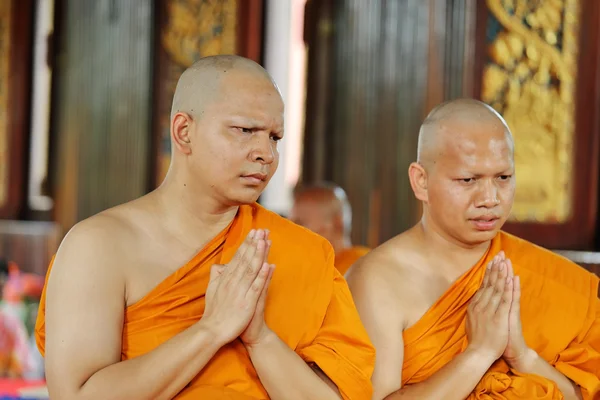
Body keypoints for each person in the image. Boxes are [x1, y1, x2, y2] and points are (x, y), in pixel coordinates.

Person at [35, 55, 375, 400]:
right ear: (184, 131)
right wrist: (211, 330)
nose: (266, 154)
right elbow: (76, 396)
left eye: (274, 137)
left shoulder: (303, 252)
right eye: (245, 130)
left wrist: (260, 338)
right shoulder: (99, 247)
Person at [346, 99, 600, 400]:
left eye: (503, 178)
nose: (490, 199)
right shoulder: (377, 279)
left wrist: (521, 356)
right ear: (421, 181)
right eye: (468, 180)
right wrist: (478, 354)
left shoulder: (554, 278)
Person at [290, 182, 370, 275]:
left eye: (300, 223)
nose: (291, 231)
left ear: (337, 223)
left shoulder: (361, 267)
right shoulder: (310, 266)